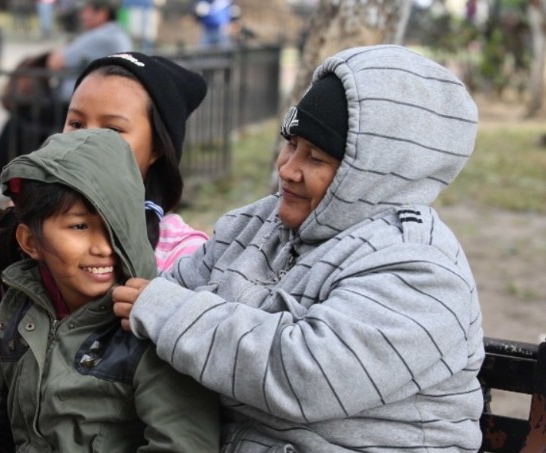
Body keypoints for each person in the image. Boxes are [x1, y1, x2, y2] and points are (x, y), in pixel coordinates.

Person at [113, 44, 485, 451]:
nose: (287, 170)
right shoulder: (257, 222)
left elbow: (306, 376)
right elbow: (156, 299)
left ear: (375, 173)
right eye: (291, 144)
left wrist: (172, 314)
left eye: (316, 158)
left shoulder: (421, 269)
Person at [0, 52, 210, 426]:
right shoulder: (26, 230)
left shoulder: (184, 257)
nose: (88, 140)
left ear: (156, 147)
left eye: (112, 130)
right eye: (76, 122)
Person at [0, 0, 132, 188]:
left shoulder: (103, 36)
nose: (82, 15)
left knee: (21, 120)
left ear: (102, 13)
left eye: (87, 10)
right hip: (85, 107)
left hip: (74, 108)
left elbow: (55, 61)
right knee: (25, 122)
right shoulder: (116, 35)